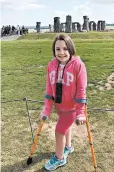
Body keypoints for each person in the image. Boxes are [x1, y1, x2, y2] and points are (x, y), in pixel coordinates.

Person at [40, 33, 87, 171]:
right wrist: (46, 110)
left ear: (71, 48)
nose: (61, 53)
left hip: (71, 108)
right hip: (59, 106)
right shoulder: (51, 65)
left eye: (65, 49)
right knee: (65, 128)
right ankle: (68, 147)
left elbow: (81, 90)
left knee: (59, 131)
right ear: (54, 50)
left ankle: (59, 158)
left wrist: (80, 112)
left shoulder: (78, 65)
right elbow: (49, 89)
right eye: (58, 49)